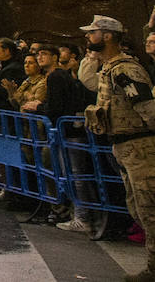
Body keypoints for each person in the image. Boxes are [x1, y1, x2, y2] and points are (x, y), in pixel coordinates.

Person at [83, 14, 155, 281]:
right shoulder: (108, 67)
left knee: (150, 210)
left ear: (108, 36)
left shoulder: (125, 69)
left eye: (93, 33)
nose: (89, 37)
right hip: (124, 148)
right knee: (139, 208)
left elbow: (147, 108)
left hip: (140, 148)